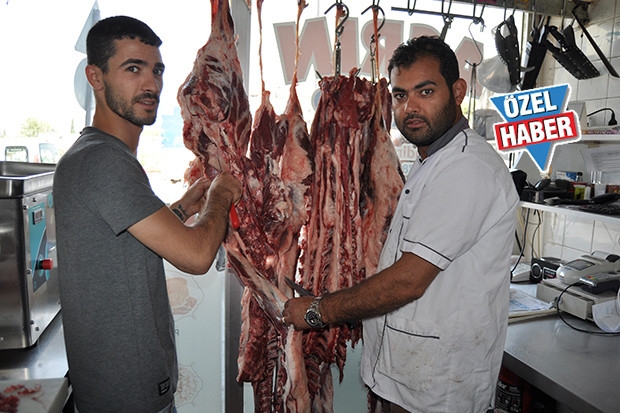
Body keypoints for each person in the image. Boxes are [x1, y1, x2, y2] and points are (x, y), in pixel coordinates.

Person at [282, 36, 519, 413]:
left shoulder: (467, 169)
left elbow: (409, 279)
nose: (411, 107)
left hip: (440, 386)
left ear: (458, 91)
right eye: (400, 95)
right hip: (413, 375)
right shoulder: (433, 161)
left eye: (426, 91)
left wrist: (318, 311)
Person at [53, 16, 242, 413]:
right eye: (133, 69)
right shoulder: (103, 161)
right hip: (127, 396)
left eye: (157, 70)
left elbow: (121, 240)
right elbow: (196, 256)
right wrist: (222, 193)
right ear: (95, 77)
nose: (151, 84)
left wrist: (184, 207)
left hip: (116, 390)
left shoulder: (100, 156)